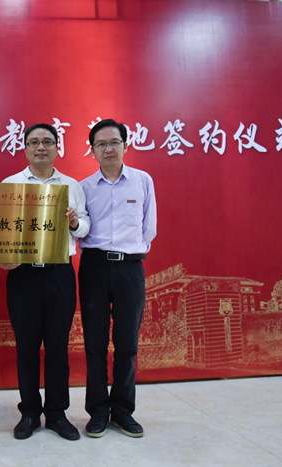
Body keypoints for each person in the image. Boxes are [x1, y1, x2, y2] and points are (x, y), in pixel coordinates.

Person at [0, 123, 90, 441]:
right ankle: (29, 413)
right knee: (26, 347)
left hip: (59, 273)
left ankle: (56, 414)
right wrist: (2, 257)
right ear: (25, 148)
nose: (41, 147)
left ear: (57, 147)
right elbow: (0, 230)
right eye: (34, 142)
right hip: (22, 274)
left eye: (48, 142)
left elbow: (85, 227)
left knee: (57, 347)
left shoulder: (71, 185)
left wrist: (75, 221)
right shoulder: (10, 185)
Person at [78, 119, 157, 439]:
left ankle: (123, 410)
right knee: (95, 344)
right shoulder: (84, 187)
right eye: (101, 144)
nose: (108, 148)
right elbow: (80, 229)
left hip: (130, 269)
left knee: (127, 344)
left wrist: (131, 253)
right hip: (94, 268)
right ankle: (98, 411)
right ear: (93, 150)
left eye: (114, 142)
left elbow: (149, 228)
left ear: (126, 144)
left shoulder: (143, 181)